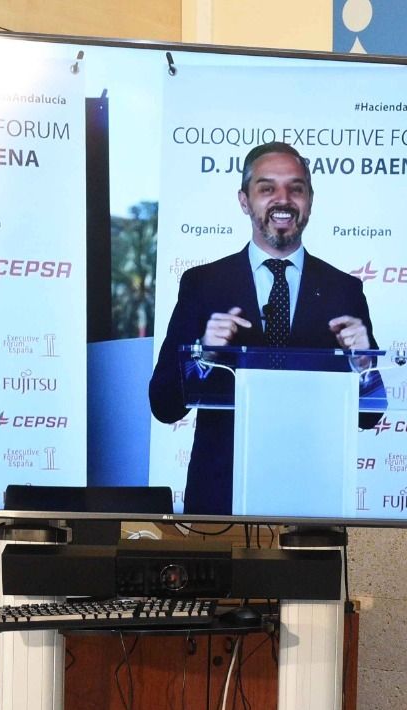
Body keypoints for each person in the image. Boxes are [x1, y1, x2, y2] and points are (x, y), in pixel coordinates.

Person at [150, 141, 380, 516]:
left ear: (310, 201)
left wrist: (364, 364)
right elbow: (163, 405)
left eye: (296, 188)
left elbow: (369, 416)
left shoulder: (344, 290)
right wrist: (201, 355)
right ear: (244, 201)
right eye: (267, 188)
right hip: (220, 500)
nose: (283, 199)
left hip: (312, 501)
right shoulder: (203, 284)